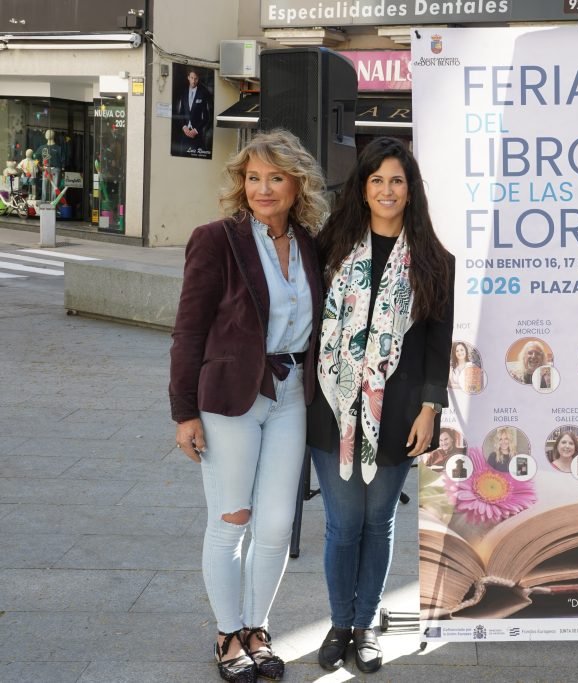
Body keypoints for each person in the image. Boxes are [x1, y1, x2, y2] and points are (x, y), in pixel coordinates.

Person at [168, 129, 329, 683]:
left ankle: (257, 630)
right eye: (253, 177)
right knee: (231, 518)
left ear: (296, 184)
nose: (263, 188)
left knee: (278, 524)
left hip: (292, 392)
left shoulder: (310, 243)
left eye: (275, 178)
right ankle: (227, 633)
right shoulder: (216, 240)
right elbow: (188, 330)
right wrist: (184, 412)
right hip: (230, 398)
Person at [308, 137, 454, 674]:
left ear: (411, 190)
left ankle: (366, 623)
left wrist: (430, 408)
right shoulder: (331, 247)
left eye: (397, 180)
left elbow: (438, 342)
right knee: (344, 523)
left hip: (401, 412)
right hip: (333, 406)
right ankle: (339, 622)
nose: (387, 190)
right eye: (377, 180)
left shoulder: (434, 260)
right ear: (362, 188)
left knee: (378, 522)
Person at [175, 68, 213, 156]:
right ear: (188, 78)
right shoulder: (184, 92)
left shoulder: (203, 93)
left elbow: (206, 117)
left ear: (198, 79)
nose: (193, 81)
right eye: (192, 78)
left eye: (195, 78)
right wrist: (184, 127)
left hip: (197, 135)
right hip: (185, 134)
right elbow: (181, 113)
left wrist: (196, 130)